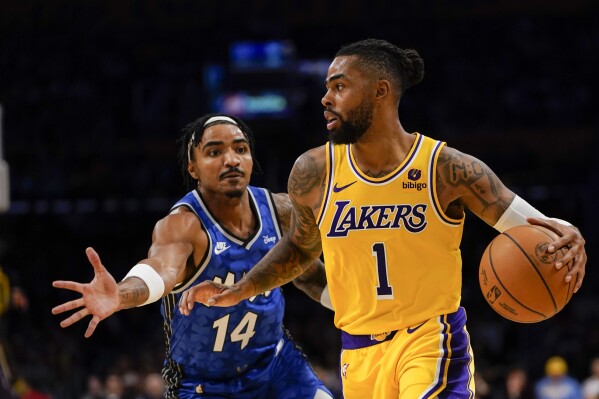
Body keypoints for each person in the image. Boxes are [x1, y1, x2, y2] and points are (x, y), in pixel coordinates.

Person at [179, 38, 588, 399]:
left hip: (430, 342)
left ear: (380, 91)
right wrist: (240, 289)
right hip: (357, 355)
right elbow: (301, 249)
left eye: (339, 86)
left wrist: (571, 238)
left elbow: (539, 228)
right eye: (326, 88)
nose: (326, 98)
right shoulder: (313, 172)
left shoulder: (446, 169)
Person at [51, 113, 334, 399]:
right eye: (214, 152)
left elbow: (306, 271)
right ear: (193, 168)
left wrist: (356, 305)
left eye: (240, 149)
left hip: (276, 366)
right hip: (204, 384)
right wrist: (121, 295)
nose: (231, 159)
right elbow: (161, 270)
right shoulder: (184, 225)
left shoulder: (280, 210)